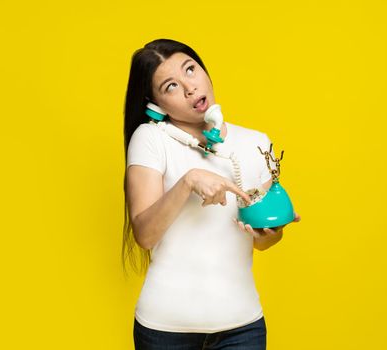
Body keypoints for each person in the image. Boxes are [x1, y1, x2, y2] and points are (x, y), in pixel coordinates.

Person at [122, 38, 301, 350]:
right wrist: (188, 181)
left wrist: (270, 236)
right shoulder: (151, 139)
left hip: (242, 327)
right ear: (155, 105)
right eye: (171, 87)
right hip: (165, 330)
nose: (190, 88)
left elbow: (263, 240)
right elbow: (145, 235)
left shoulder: (255, 143)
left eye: (190, 70)